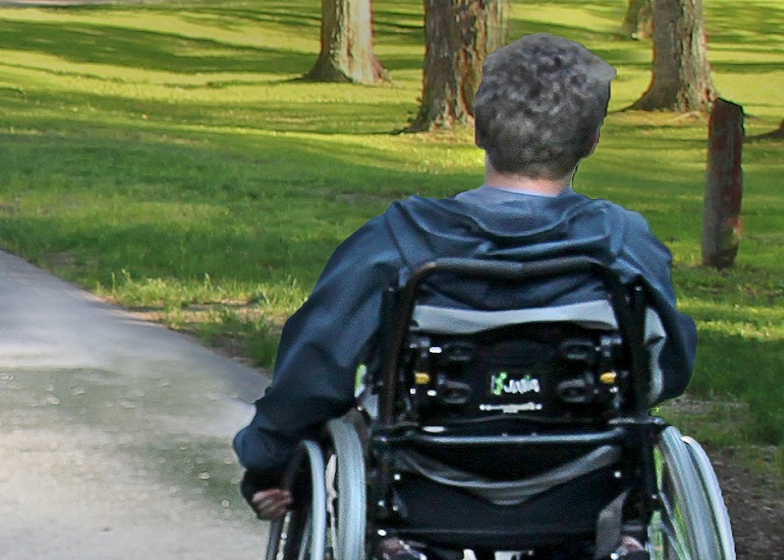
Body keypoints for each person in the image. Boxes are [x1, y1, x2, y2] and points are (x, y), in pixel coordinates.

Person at [231, 33, 698, 560]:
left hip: (427, 487)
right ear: (591, 141)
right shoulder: (623, 243)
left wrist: (271, 463)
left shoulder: (397, 241)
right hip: (583, 487)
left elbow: (314, 369)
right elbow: (668, 371)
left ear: (477, 129)